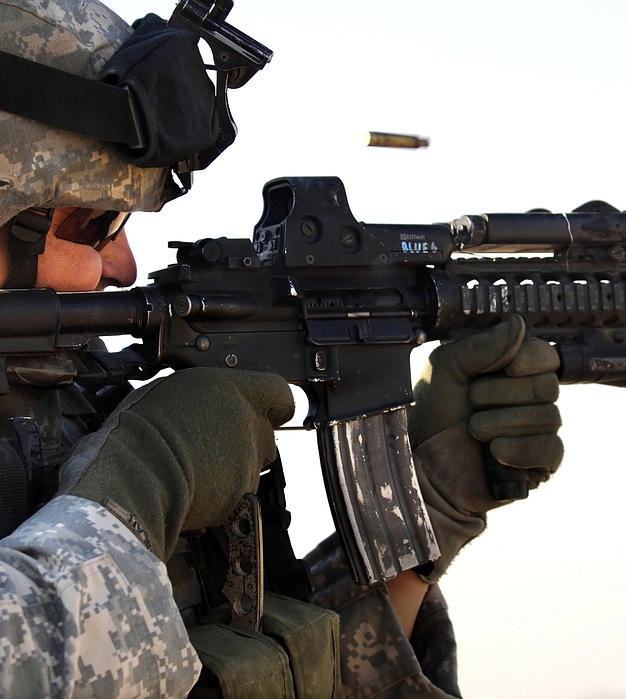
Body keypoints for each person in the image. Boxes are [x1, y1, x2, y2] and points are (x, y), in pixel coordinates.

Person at [0, 0, 565, 696]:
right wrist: (132, 494)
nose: (122, 266)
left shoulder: (79, 402)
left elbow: (268, 672)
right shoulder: (133, 451)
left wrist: (434, 500)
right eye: (98, 222)